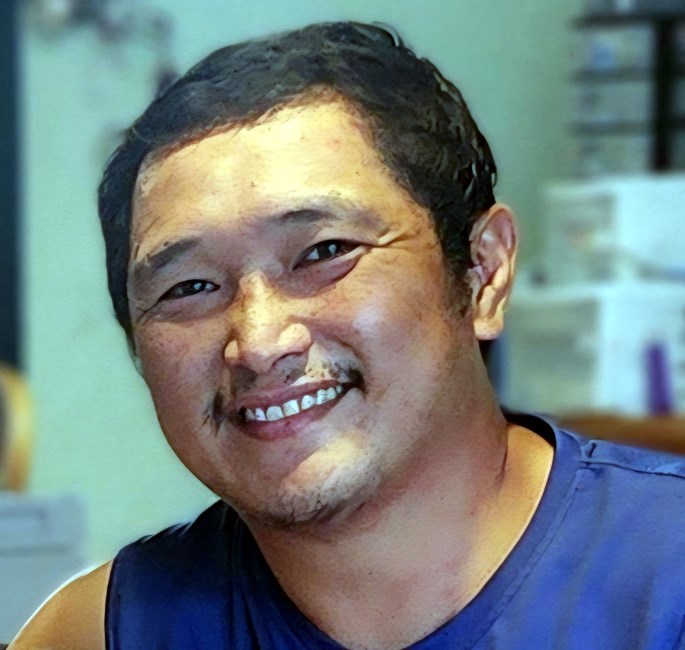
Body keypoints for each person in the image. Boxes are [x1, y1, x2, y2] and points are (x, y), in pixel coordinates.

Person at [10, 21, 685, 650]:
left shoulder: (662, 579)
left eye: (324, 251)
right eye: (189, 288)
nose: (260, 341)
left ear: (482, 272)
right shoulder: (103, 631)